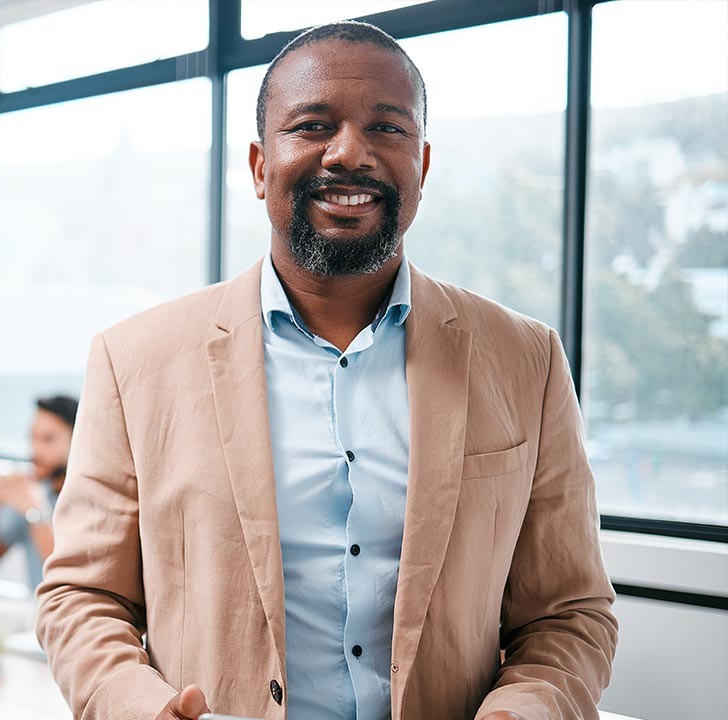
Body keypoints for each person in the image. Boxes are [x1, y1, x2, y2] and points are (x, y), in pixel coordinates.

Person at [36, 21, 617, 720]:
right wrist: (139, 707)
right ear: (258, 165)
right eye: (312, 126)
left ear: (423, 167)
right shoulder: (134, 362)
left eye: (387, 129)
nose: (349, 154)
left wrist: (522, 712)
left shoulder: (527, 360)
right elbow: (82, 596)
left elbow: (570, 613)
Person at [0, 395, 78, 586]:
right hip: (36, 614)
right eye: (32, 438)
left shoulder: (91, 502)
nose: (35, 450)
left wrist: (35, 512)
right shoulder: (33, 494)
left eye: (47, 439)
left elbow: (70, 580)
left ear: (77, 441)